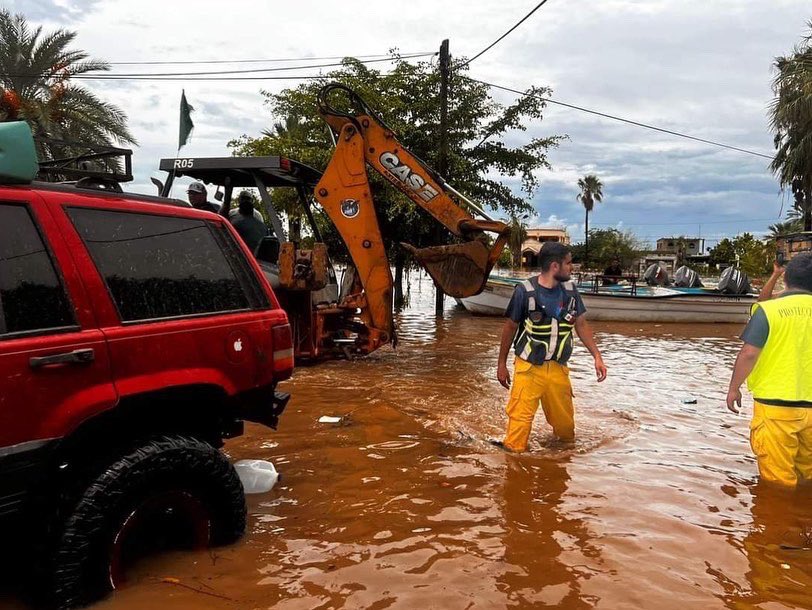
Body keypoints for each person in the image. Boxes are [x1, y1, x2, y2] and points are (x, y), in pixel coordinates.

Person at [495, 242, 608, 452]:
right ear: (555, 267)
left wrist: (597, 356)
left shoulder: (571, 292)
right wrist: (501, 365)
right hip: (528, 370)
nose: (572, 268)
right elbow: (510, 327)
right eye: (568, 263)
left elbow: (581, 324)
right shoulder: (524, 292)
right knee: (516, 440)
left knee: (566, 435)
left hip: (558, 370)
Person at [726, 252, 812, 487]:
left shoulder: (770, 311)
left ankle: (781, 523)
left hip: (777, 409)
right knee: (808, 477)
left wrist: (734, 388)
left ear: (787, 279)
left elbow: (749, 353)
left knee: (778, 484)